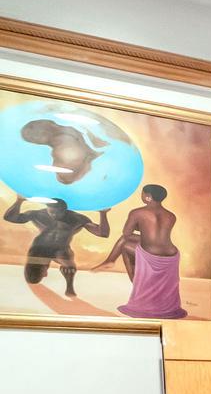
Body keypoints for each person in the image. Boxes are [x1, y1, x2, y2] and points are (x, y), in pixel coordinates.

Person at [91, 184, 187, 319]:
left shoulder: (137, 212)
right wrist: (142, 227)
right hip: (171, 255)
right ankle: (110, 262)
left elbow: (127, 233)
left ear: (148, 197)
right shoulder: (171, 215)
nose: (141, 196)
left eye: (142, 194)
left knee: (124, 243)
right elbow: (156, 235)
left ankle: (111, 262)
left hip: (151, 254)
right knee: (128, 241)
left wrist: (138, 225)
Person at [3, 194, 108, 296]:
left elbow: (102, 233)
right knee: (32, 280)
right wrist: (19, 201)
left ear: (65, 210)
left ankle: (69, 287)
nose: (54, 215)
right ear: (47, 207)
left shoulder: (77, 219)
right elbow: (10, 218)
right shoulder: (37, 214)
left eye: (58, 213)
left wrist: (103, 214)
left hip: (60, 249)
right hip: (39, 248)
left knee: (69, 266)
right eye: (51, 212)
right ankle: (41, 270)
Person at [19, 118, 111, 186]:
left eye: (33, 138)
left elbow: (66, 177)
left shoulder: (63, 148)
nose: (35, 140)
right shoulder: (74, 130)